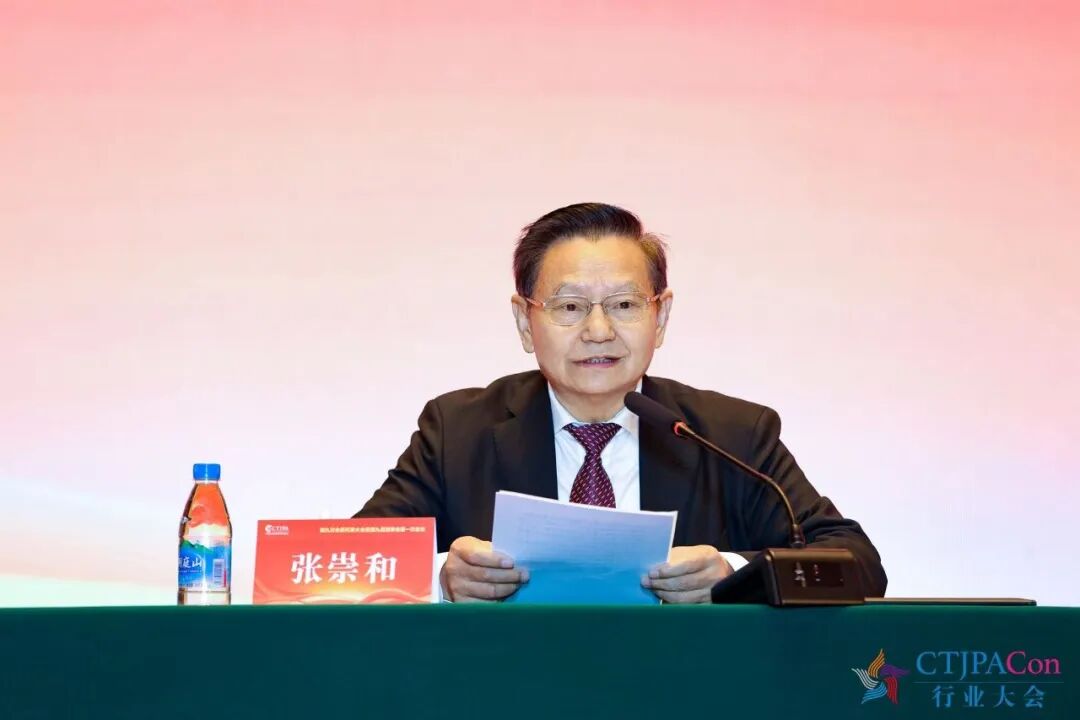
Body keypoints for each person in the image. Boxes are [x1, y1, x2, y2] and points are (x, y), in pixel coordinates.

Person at [356, 202, 886, 603]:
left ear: (661, 317)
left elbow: (857, 565)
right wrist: (440, 576)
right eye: (569, 306)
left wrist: (733, 574)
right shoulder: (458, 431)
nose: (598, 330)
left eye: (625, 304)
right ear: (524, 321)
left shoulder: (731, 434)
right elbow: (347, 564)